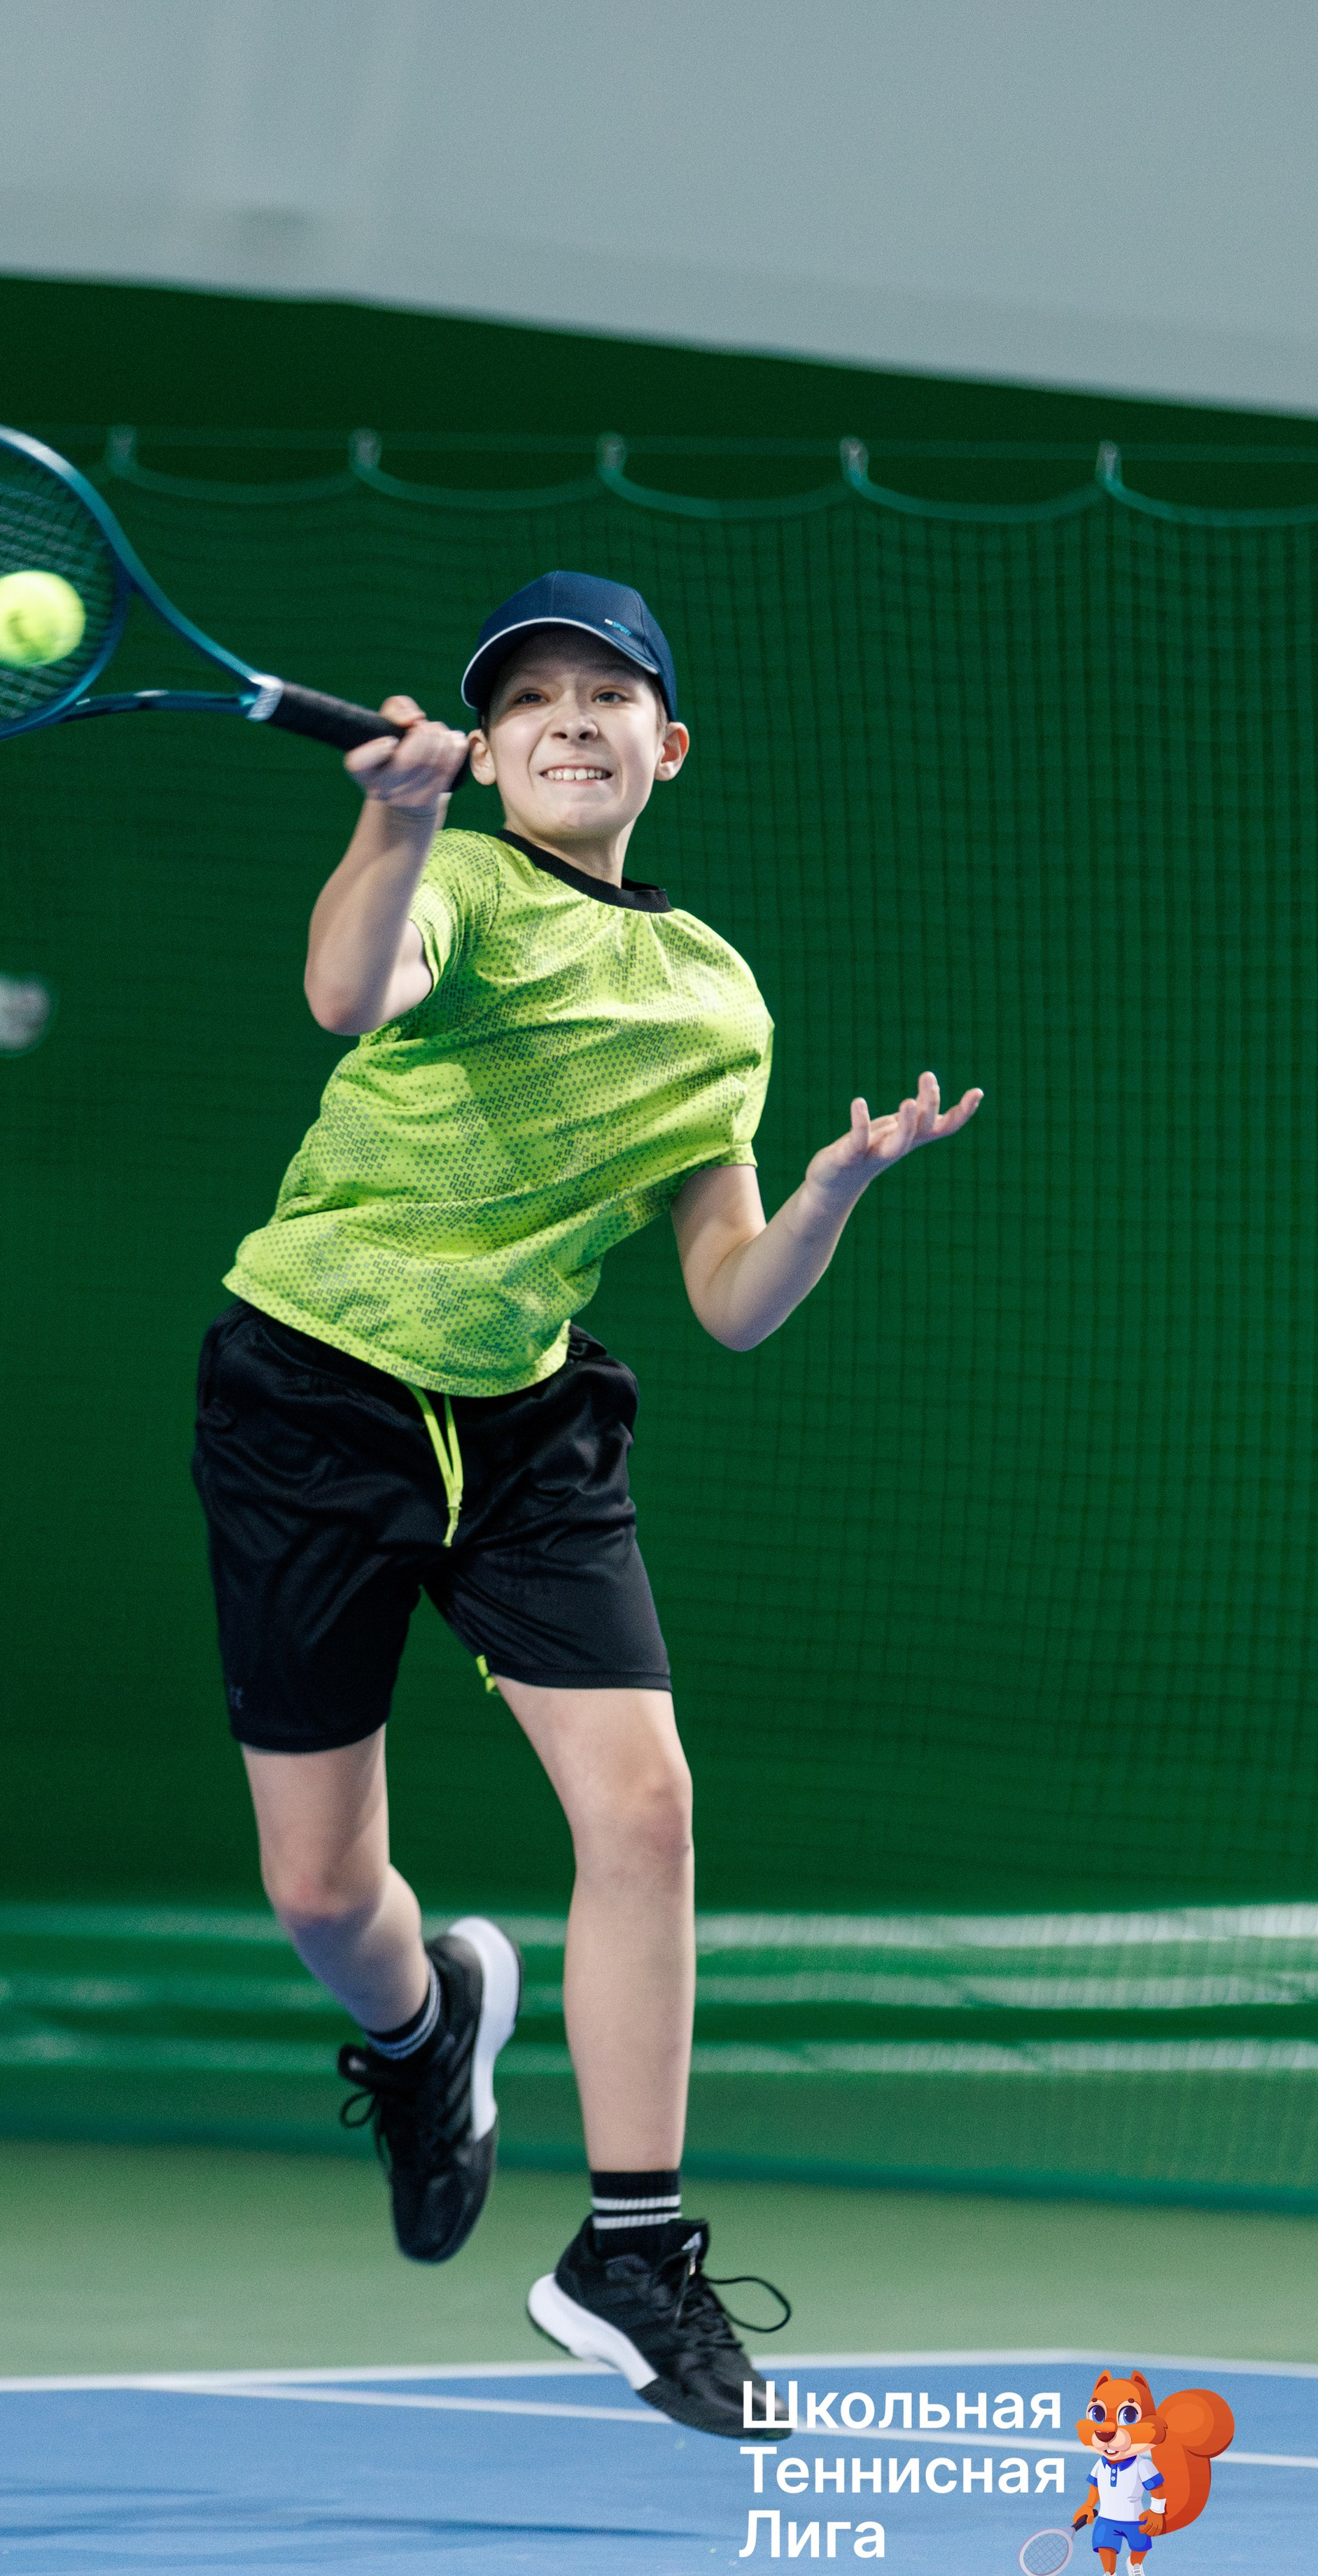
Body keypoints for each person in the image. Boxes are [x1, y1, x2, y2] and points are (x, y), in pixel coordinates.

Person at [191, 571, 981, 2437]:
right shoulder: (452, 881)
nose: (561, 717)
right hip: (315, 1392)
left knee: (648, 1807)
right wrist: (396, 814)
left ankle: (633, 2252)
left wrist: (833, 1193)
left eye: (603, 694)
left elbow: (727, 1298)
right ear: (495, 747)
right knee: (317, 1887)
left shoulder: (715, 993)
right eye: (526, 696)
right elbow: (343, 989)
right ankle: (420, 2030)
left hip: (534, 1427)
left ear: (664, 745)